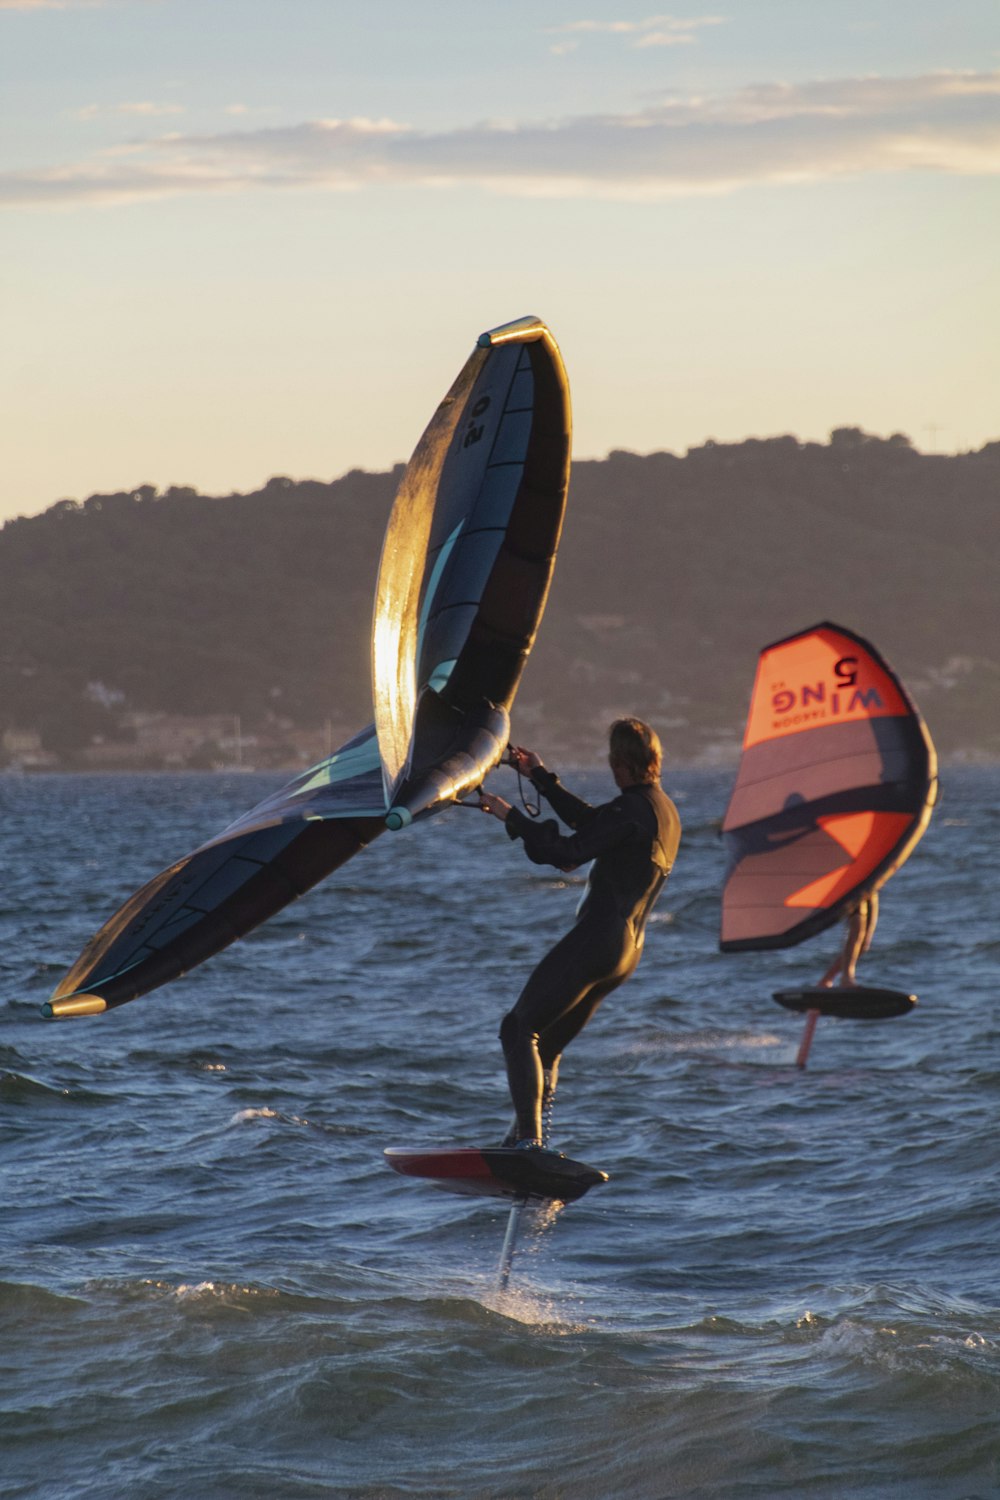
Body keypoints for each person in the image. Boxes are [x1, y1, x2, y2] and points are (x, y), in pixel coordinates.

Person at [478, 717, 681, 1150]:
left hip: (599, 940)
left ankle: (528, 1145)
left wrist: (510, 816)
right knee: (545, 1046)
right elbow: (593, 824)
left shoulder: (632, 809)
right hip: (626, 954)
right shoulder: (661, 809)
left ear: (619, 763)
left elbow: (568, 853)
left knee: (518, 1029)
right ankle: (525, 1140)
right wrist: (539, 777)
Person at [818, 891, 879, 989]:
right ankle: (846, 978)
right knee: (857, 927)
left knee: (863, 946)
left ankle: (826, 981)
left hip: (871, 889)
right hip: (855, 887)